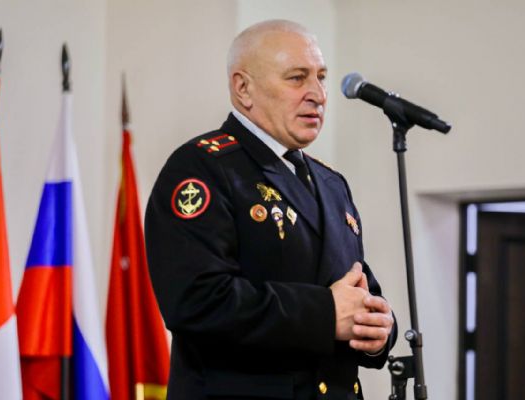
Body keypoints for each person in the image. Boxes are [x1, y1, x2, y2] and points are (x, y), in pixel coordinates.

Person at [145, 19, 396, 400]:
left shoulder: (331, 184)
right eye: (297, 78)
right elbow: (197, 302)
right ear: (243, 88)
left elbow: (358, 289)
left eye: (321, 78)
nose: (318, 94)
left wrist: (378, 329)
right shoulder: (203, 167)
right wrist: (325, 314)